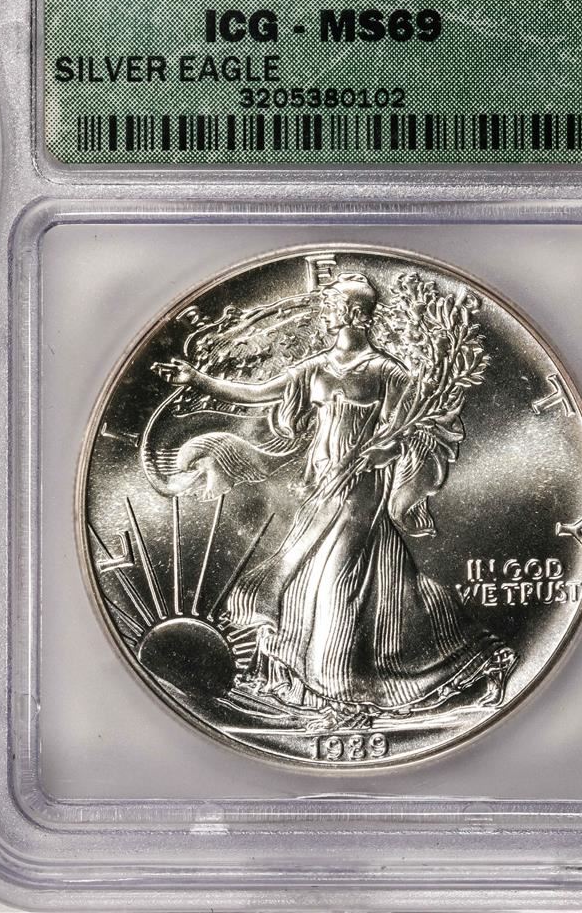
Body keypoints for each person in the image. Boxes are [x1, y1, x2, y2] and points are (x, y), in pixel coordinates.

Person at [153, 272, 514, 728]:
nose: (324, 312)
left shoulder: (386, 372)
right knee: (302, 580)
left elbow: (409, 431)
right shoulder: (315, 368)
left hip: (360, 489)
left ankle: (342, 699)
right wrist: (198, 379)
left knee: (335, 586)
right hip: (320, 485)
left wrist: (387, 450)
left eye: (332, 305)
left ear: (356, 314)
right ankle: (470, 660)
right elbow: (258, 394)